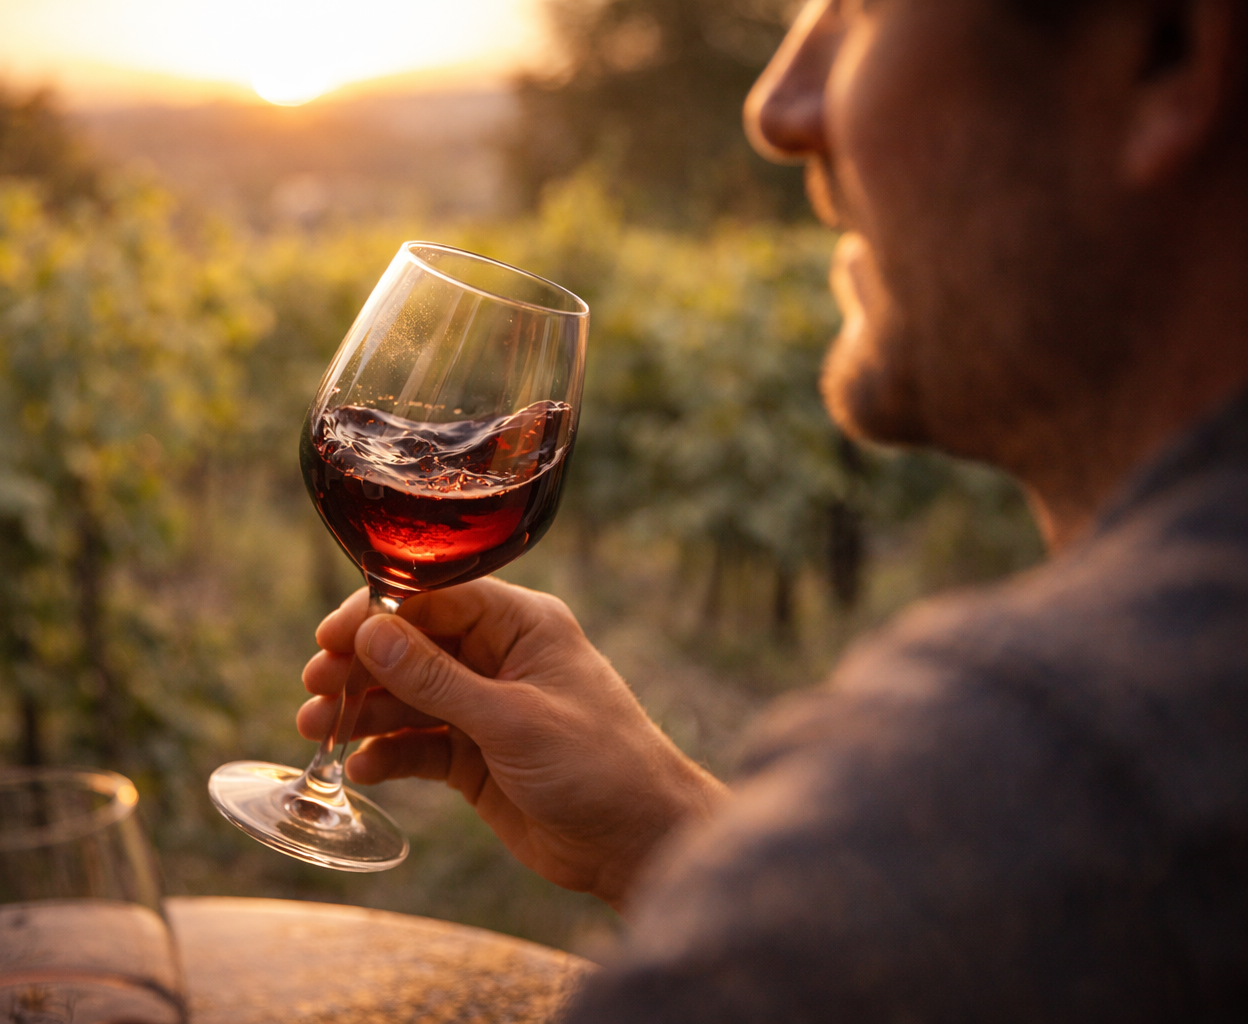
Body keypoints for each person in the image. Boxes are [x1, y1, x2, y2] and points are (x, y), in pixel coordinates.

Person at [300, 0, 1248, 1017]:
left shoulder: (1051, 770)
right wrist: (670, 833)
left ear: (1163, 48)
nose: (778, 105)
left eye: (863, 8)